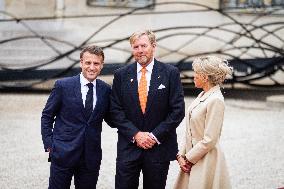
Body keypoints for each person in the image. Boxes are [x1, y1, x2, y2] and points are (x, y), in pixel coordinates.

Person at [110, 29, 185, 189]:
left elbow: (177, 111)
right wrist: (136, 134)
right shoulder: (121, 75)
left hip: (158, 147)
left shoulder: (170, 73)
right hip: (129, 147)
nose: (140, 50)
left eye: (143, 46)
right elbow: (115, 110)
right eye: (135, 47)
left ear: (153, 46)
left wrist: (153, 136)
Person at [41, 45, 114, 189]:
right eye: (88, 63)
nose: (92, 67)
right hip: (62, 153)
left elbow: (112, 119)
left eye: (96, 63)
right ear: (81, 63)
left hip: (90, 156)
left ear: (101, 66)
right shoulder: (63, 86)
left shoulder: (105, 90)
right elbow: (47, 115)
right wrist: (49, 144)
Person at [173, 56, 233, 189]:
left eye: (196, 73)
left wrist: (188, 158)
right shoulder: (202, 95)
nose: (193, 76)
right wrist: (181, 156)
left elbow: (210, 139)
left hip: (206, 161)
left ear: (205, 77)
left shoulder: (216, 100)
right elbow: (190, 131)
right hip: (193, 157)